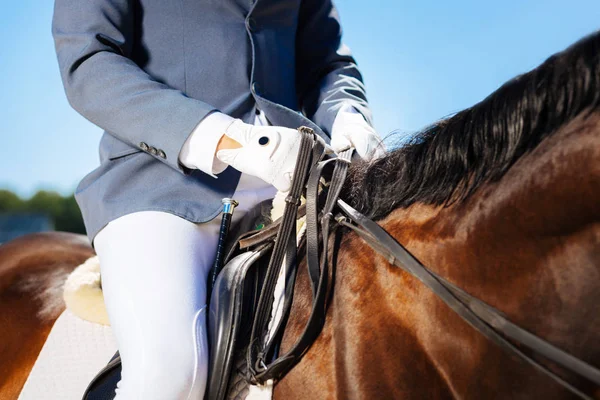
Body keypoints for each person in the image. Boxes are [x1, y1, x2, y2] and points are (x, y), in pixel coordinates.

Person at [51, 0, 385, 398]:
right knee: (170, 376)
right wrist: (230, 140)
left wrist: (347, 116)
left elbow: (326, 62)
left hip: (299, 178)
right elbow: (89, 59)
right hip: (160, 184)